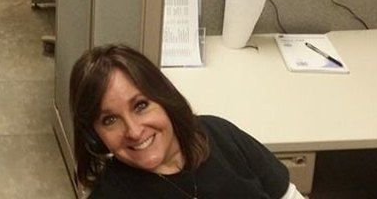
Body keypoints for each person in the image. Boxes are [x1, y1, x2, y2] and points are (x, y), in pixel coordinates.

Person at [69, 44, 301, 199]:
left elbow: (287, 196)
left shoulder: (220, 134)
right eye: (109, 120)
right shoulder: (112, 194)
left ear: (163, 97)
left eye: (140, 105)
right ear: (94, 136)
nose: (134, 131)